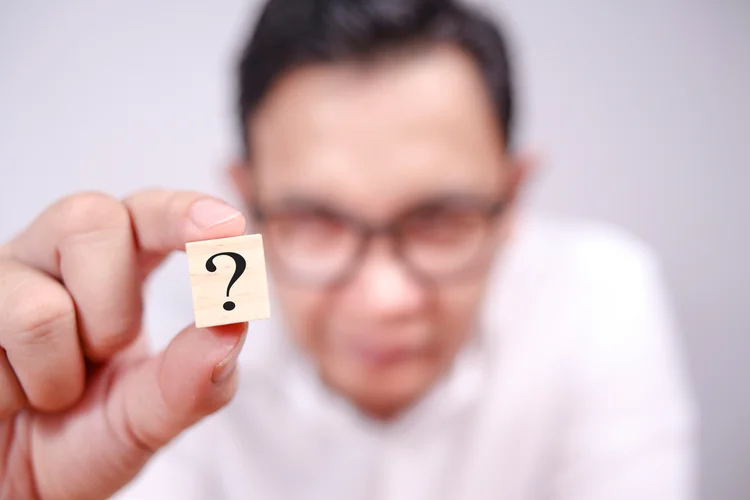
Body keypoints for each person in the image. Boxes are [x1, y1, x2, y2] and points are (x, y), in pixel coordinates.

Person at [0, 0, 696, 498]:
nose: (385, 299)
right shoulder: (151, 336)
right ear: (248, 203)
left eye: (440, 219)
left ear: (512, 197)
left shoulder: (602, 293)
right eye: (316, 220)